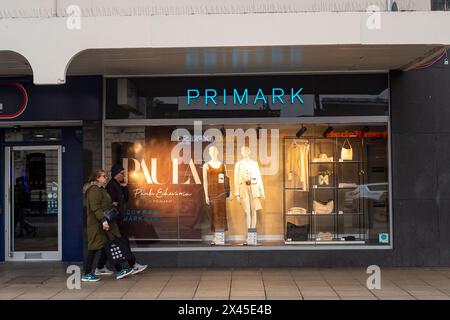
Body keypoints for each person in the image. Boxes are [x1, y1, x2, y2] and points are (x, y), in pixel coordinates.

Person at [82, 169, 134, 282]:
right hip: (98, 225)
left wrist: (111, 204)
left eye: (106, 176)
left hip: (103, 224)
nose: (106, 178)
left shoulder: (101, 189)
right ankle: (86, 274)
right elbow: (95, 208)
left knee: (109, 246)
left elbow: (102, 204)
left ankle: (119, 270)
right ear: (97, 178)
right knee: (94, 249)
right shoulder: (94, 190)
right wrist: (103, 221)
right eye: (103, 176)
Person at [106, 163, 148, 275]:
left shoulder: (117, 184)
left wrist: (124, 187)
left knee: (118, 243)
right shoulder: (111, 185)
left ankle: (101, 266)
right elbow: (111, 203)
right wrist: (115, 207)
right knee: (122, 242)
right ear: (116, 174)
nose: (123, 175)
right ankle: (132, 265)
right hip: (116, 220)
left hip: (119, 219)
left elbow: (125, 199)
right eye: (122, 173)